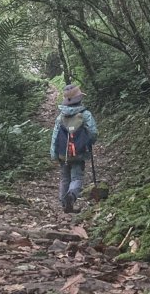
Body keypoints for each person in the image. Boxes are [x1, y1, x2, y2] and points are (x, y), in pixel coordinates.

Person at [50, 83, 98, 213]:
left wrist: (53, 153)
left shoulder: (61, 116)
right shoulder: (85, 114)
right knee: (76, 177)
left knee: (65, 177)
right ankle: (71, 195)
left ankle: (64, 203)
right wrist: (89, 142)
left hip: (63, 153)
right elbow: (93, 132)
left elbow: (55, 135)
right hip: (79, 152)